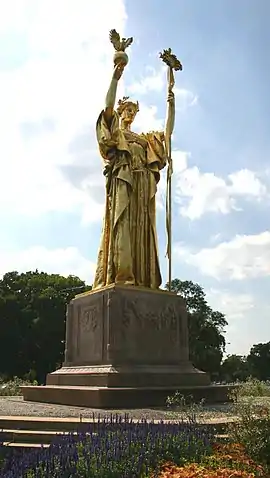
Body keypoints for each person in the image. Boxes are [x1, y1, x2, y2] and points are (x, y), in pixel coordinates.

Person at [93, 62, 168, 289]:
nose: (131, 114)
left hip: (142, 188)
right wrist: (116, 77)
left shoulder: (144, 139)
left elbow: (168, 133)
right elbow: (106, 110)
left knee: (141, 233)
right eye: (127, 110)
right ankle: (121, 275)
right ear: (120, 110)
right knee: (122, 227)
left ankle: (142, 278)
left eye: (134, 112)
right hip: (123, 184)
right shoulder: (116, 132)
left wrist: (171, 98)